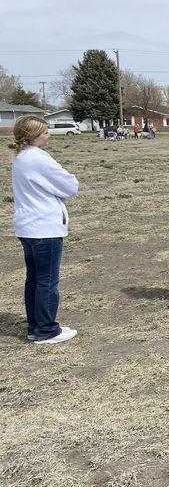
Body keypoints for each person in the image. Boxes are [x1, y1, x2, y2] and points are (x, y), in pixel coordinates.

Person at [9, 116, 80, 344]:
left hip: (27, 227)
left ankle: (35, 326)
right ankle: (47, 330)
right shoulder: (39, 158)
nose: (49, 135)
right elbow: (70, 186)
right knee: (47, 281)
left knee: (34, 279)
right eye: (46, 132)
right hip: (44, 228)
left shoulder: (20, 157)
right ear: (34, 135)